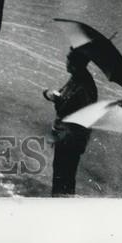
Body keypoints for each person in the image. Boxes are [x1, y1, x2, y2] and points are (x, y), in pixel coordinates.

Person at [43, 47, 98, 197]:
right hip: (67, 137)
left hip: (70, 139)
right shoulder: (78, 78)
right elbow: (65, 96)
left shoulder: (83, 86)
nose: (66, 62)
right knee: (63, 175)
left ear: (76, 63)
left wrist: (55, 98)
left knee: (63, 177)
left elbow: (67, 108)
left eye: (69, 59)